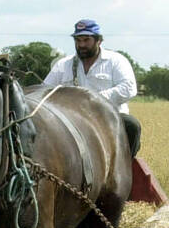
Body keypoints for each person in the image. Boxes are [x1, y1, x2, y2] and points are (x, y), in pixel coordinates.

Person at [43, 19, 140, 156]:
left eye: (86, 40)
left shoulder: (116, 61)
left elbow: (129, 88)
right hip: (73, 121)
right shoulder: (63, 65)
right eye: (78, 40)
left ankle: (125, 171)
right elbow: (44, 91)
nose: (81, 45)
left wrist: (93, 100)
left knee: (131, 125)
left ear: (98, 40)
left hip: (108, 119)